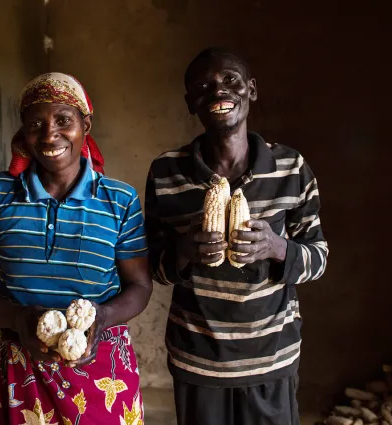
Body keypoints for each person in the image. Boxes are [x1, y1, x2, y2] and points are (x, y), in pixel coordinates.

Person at [144, 48, 329, 425]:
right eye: (203, 86)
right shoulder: (166, 172)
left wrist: (278, 248)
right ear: (191, 102)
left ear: (252, 90)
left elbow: (319, 257)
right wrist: (181, 252)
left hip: (271, 359)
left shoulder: (291, 168)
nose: (218, 92)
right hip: (198, 360)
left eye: (231, 80)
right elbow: (151, 266)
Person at [0, 72, 152, 425]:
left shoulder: (120, 200)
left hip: (100, 371)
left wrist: (102, 318)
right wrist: (18, 319)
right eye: (36, 123)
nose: (50, 134)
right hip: (20, 370)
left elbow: (140, 286)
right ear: (24, 132)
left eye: (64, 120)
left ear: (85, 125)